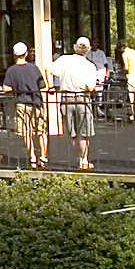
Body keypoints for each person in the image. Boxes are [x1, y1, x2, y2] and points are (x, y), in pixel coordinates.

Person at [49, 38, 101, 170]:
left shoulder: (64, 60)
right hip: (82, 98)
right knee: (84, 132)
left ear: (75, 47)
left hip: (66, 98)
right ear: (88, 50)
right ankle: (84, 160)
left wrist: (51, 87)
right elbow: (90, 87)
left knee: (72, 132)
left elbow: (48, 69)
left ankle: (79, 158)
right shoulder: (89, 66)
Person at [3, 41, 48, 169]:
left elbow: (6, 88)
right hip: (37, 102)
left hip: (22, 103)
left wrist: (16, 88)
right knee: (41, 131)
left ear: (14, 55)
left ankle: (33, 156)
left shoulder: (11, 71)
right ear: (26, 53)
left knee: (26, 132)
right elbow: (42, 84)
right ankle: (43, 156)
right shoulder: (34, 68)